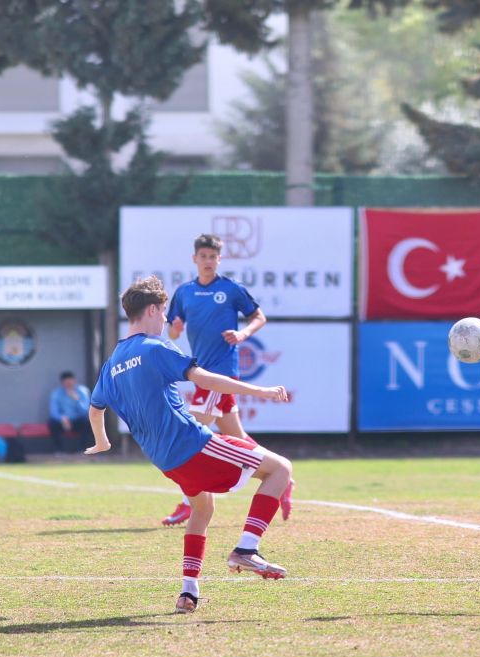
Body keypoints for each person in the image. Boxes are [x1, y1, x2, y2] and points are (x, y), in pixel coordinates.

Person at [86, 276, 295, 614]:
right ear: (152, 310)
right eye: (164, 313)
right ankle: (246, 549)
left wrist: (101, 442)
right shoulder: (155, 347)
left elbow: (95, 409)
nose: (166, 320)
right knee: (281, 469)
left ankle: (188, 592)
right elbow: (204, 377)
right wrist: (261, 391)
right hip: (194, 445)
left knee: (202, 509)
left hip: (165, 461)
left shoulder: (112, 364)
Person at [160, 233, 293, 526]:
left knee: (190, 434)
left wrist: (243, 334)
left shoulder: (231, 289)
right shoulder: (184, 292)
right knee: (237, 439)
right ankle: (282, 475)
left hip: (220, 373)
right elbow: (171, 333)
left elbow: (259, 316)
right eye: (203, 256)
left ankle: (187, 502)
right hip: (201, 373)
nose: (207, 261)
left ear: (219, 259)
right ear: (194, 259)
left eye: (212, 257)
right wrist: (175, 329)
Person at [48, 371, 91, 452]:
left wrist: (77, 400)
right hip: (63, 421)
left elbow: (86, 412)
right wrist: (62, 418)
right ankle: (59, 450)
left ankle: (82, 449)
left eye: (70, 383)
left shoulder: (83, 391)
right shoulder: (56, 393)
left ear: (74, 381)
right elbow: (53, 411)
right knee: (51, 423)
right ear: (62, 383)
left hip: (77, 420)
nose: (69, 385)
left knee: (87, 422)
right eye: (66, 383)